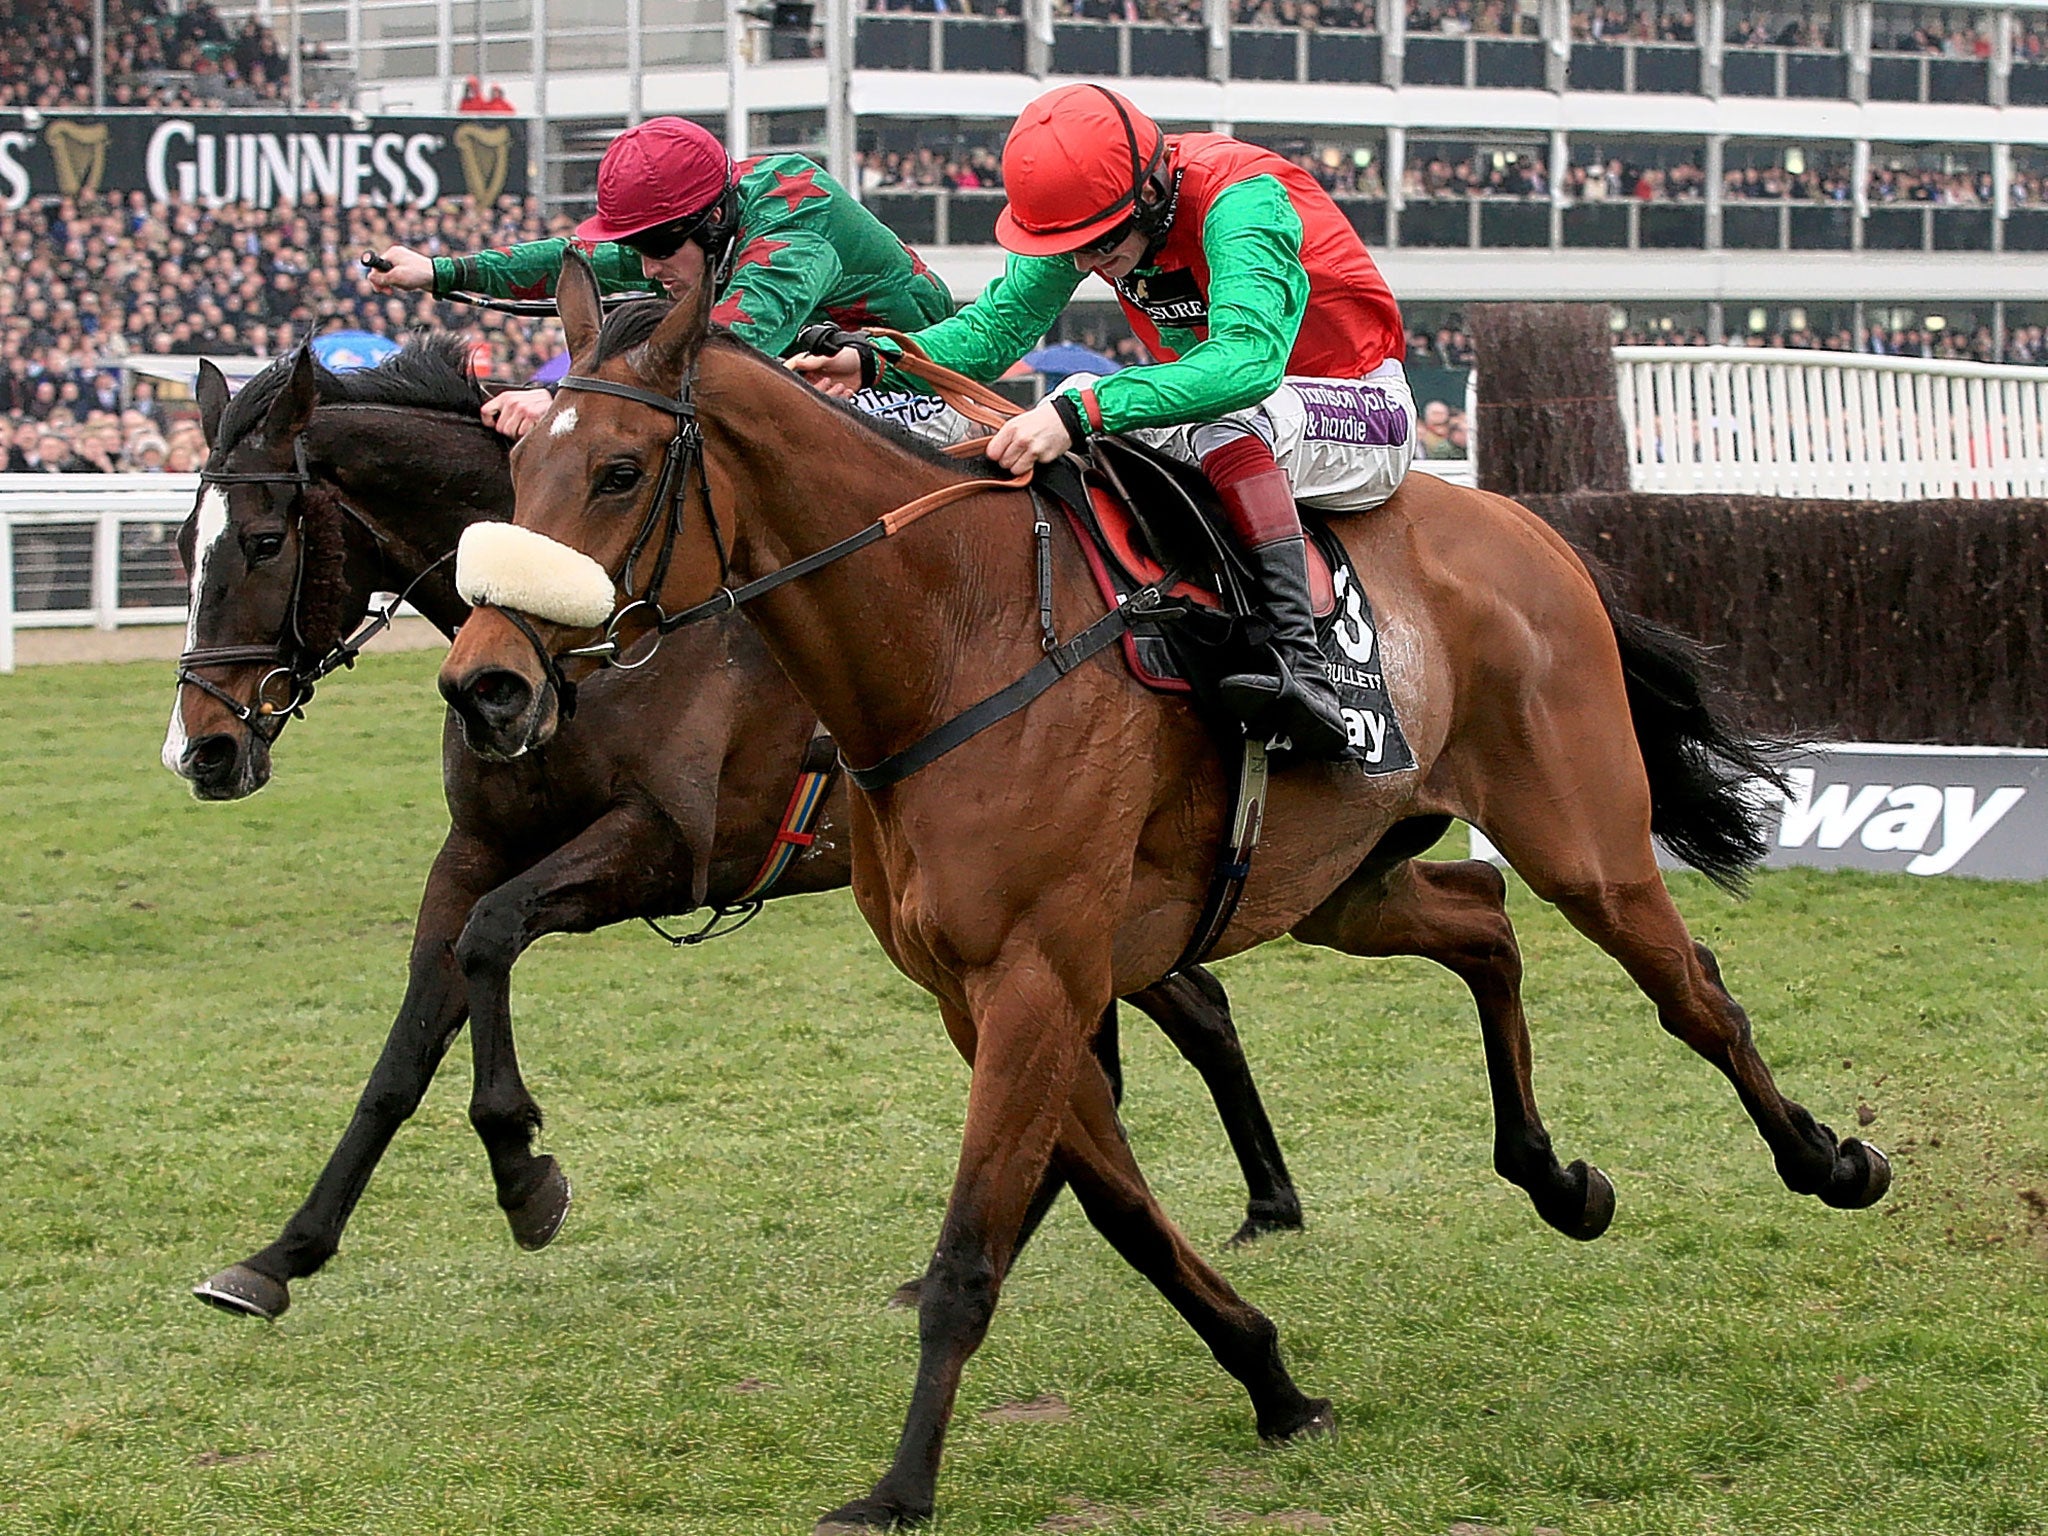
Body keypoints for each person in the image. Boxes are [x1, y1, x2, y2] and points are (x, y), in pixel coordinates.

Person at [793, 84, 1416, 759]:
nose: (1087, 263)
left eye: (1100, 242)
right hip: (1228, 411)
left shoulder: (1243, 199)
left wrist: (1080, 410)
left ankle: (1304, 669)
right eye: (1073, 249)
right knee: (1072, 403)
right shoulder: (1096, 213)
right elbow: (996, 332)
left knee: (1170, 409)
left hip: (1359, 405)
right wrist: (876, 359)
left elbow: (1248, 361)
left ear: (1150, 189)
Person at [369, 116, 960, 442]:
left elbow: (715, 352)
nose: (648, 268)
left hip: (922, 397)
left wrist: (556, 400)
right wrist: (437, 273)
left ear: (714, 221)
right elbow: (568, 259)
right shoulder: (693, 228)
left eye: (655, 248)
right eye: (635, 247)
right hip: (827, 376)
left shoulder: (792, 238)